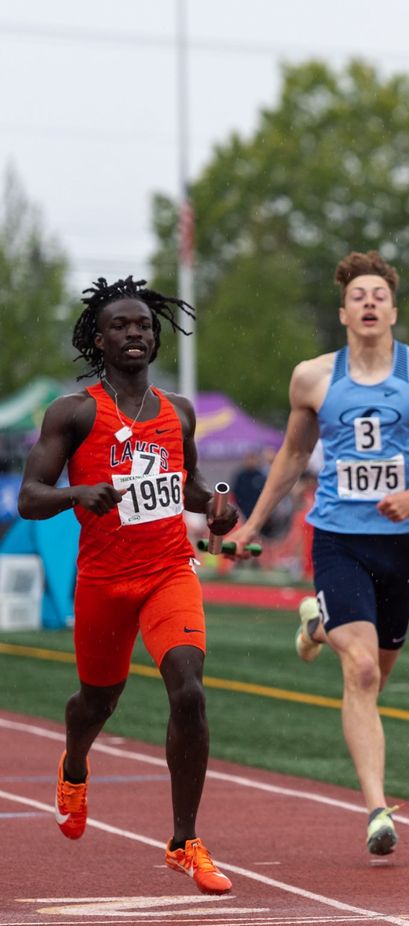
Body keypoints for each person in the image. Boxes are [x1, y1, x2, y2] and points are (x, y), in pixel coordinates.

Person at [224, 250, 409, 855]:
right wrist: (251, 524)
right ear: (343, 312)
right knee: (360, 669)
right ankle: (376, 809)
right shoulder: (313, 378)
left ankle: (318, 626)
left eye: (379, 295)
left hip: (404, 543)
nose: (369, 303)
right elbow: (291, 458)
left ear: (393, 309)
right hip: (338, 538)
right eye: (358, 296)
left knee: (377, 673)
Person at [17, 276, 239, 895]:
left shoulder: (178, 411)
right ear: (98, 338)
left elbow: (190, 485)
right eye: (119, 325)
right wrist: (75, 494)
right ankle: (74, 763)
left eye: (143, 324)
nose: (134, 332)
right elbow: (29, 497)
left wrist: (219, 503)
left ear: (155, 335)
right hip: (104, 582)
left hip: (168, 570)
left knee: (189, 690)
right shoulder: (74, 412)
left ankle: (184, 840)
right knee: (97, 703)